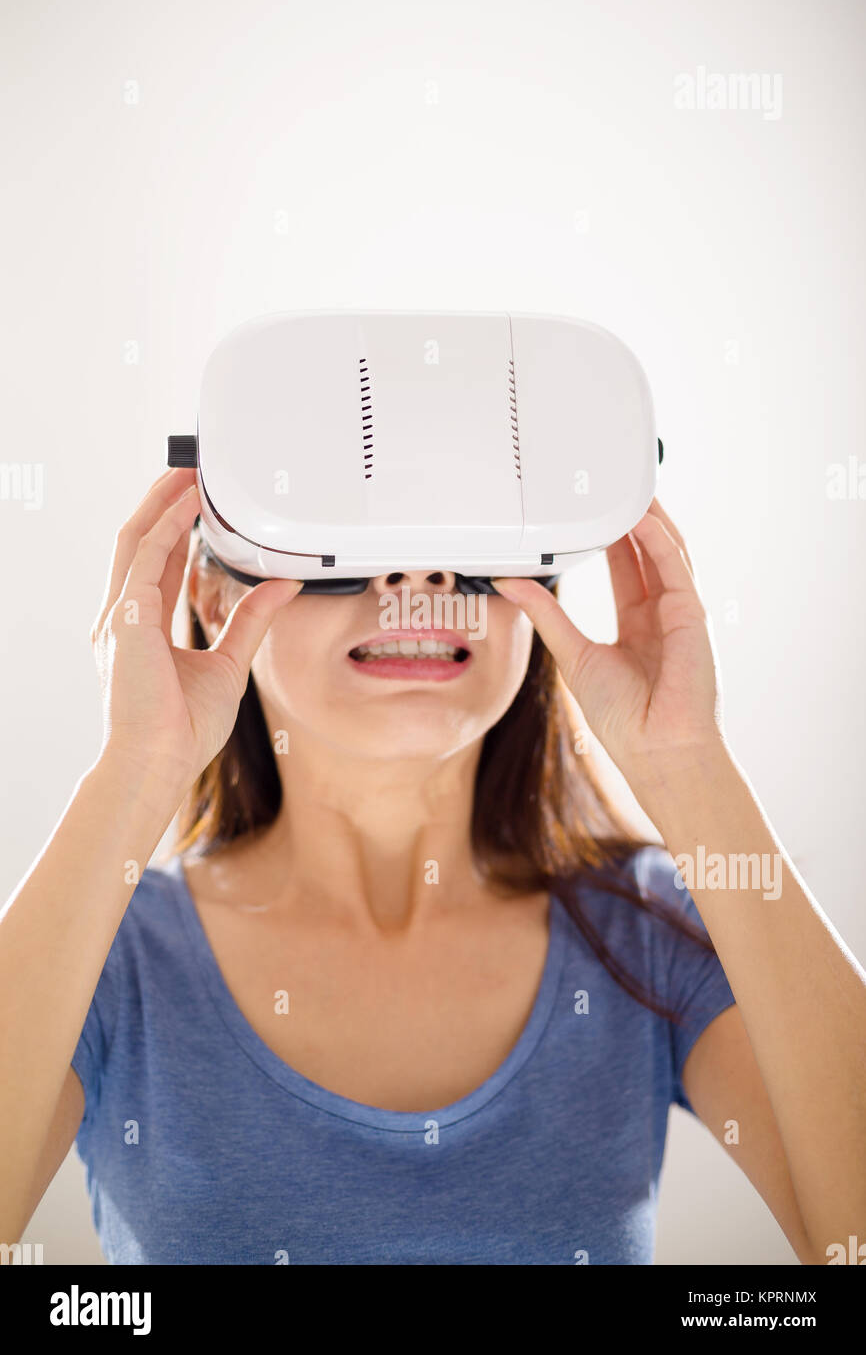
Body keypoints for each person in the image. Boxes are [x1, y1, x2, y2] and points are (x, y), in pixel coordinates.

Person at [2, 467, 864, 1265]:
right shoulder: (109, 956)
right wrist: (134, 770)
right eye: (341, 530)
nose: (419, 581)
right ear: (209, 582)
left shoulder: (649, 931)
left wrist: (686, 761)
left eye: (474, 539)